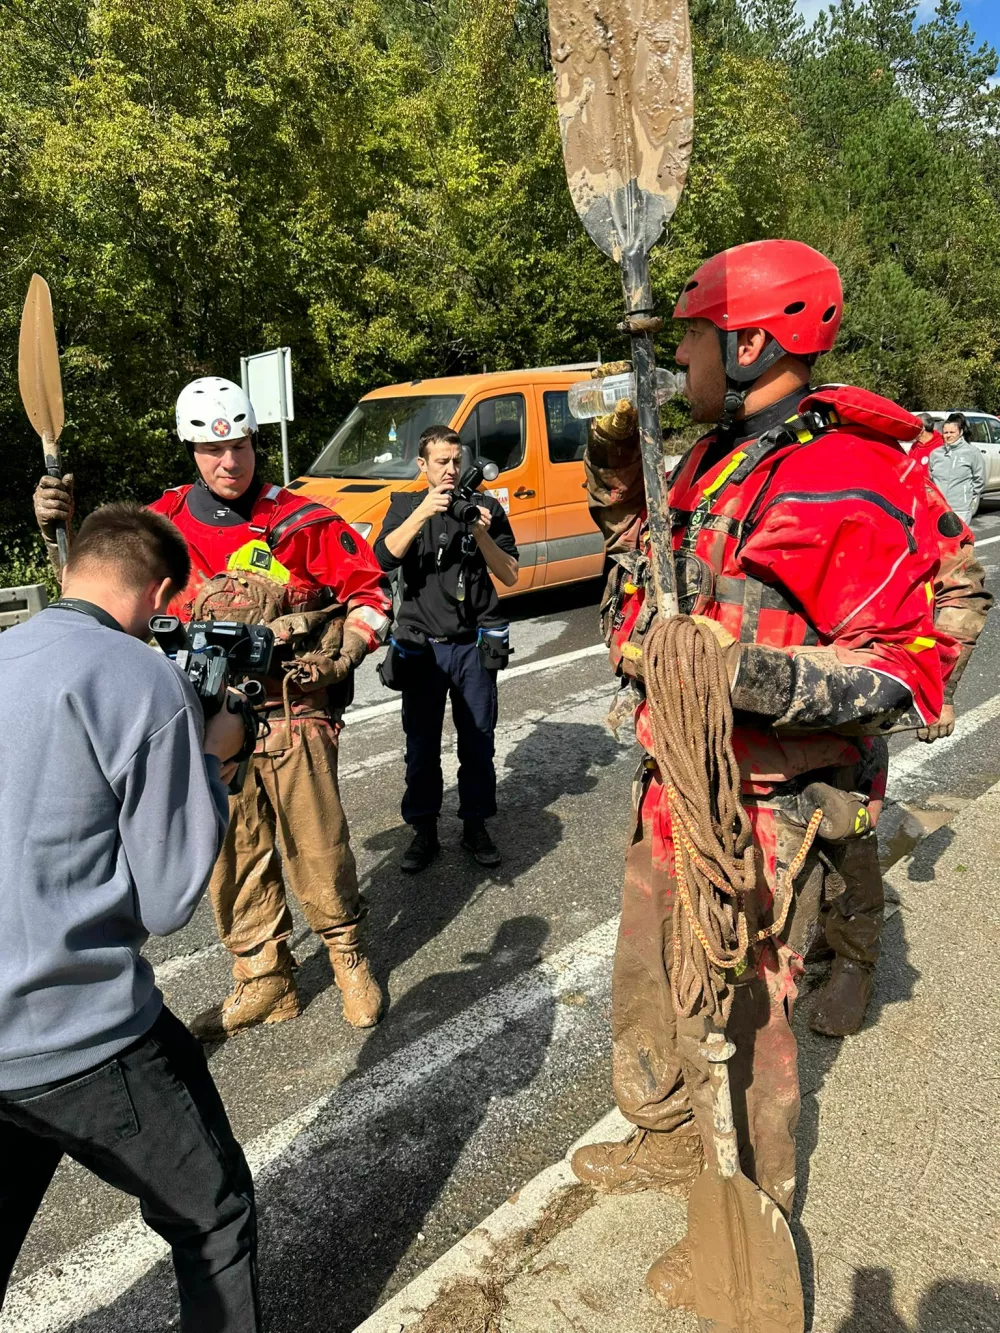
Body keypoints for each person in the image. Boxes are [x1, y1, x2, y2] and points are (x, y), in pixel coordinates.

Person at [571, 239, 955, 1310]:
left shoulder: (852, 477)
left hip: (767, 807)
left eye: (691, 340)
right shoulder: (710, 458)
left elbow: (911, 662)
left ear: (748, 345)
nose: (678, 362)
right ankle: (664, 1134)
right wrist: (618, 474)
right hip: (676, 776)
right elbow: (647, 556)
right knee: (652, 974)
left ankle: (745, 1207)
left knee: (742, 1018)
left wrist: (737, 671)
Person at [33, 377, 394, 1036]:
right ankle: (264, 978)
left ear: (256, 441)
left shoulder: (305, 522)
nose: (229, 462)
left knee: (318, 844)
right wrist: (61, 530)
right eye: (212, 449)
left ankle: (347, 955)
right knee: (229, 854)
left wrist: (343, 655)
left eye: (240, 446)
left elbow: (372, 595)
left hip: (291, 709)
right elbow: (99, 600)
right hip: (199, 718)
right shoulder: (158, 526)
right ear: (192, 450)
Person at [0, 504, 259, 1332]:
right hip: (83, 1026)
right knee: (214, 1216)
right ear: (159, 593)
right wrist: (214, 756)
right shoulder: (141, 679)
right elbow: (169, 898)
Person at [809, 446, 992, 1035]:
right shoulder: (747, 465)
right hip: (765, 695)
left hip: (856, 694)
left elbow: (960, 585)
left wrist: (936, 686)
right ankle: (815, 934)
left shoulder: (885, 473)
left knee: (849, 828)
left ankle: (855, 960)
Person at [373, 424, 519, 872]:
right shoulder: (405, 506)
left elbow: (510, 574)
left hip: (473, 646)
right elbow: (382, 558)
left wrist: (480, 533)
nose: (451, 469)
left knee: (478, 744)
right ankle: (424, 830)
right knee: (421, 747)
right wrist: (423, 512)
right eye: (442, 462)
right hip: (424, 648)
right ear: (423, 465)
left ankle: (476, 824)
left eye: (457, 461)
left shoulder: (486, 507)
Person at [929, 412, 986, 523]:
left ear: (961, 432)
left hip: (960, 508)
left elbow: (980, 479)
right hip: (939, 507)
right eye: (945, 432)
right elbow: (930, 479)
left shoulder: (972, 452)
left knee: (959, 534)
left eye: (952, 432)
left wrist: (966, 496)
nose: (948, 435)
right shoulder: (935, 454)